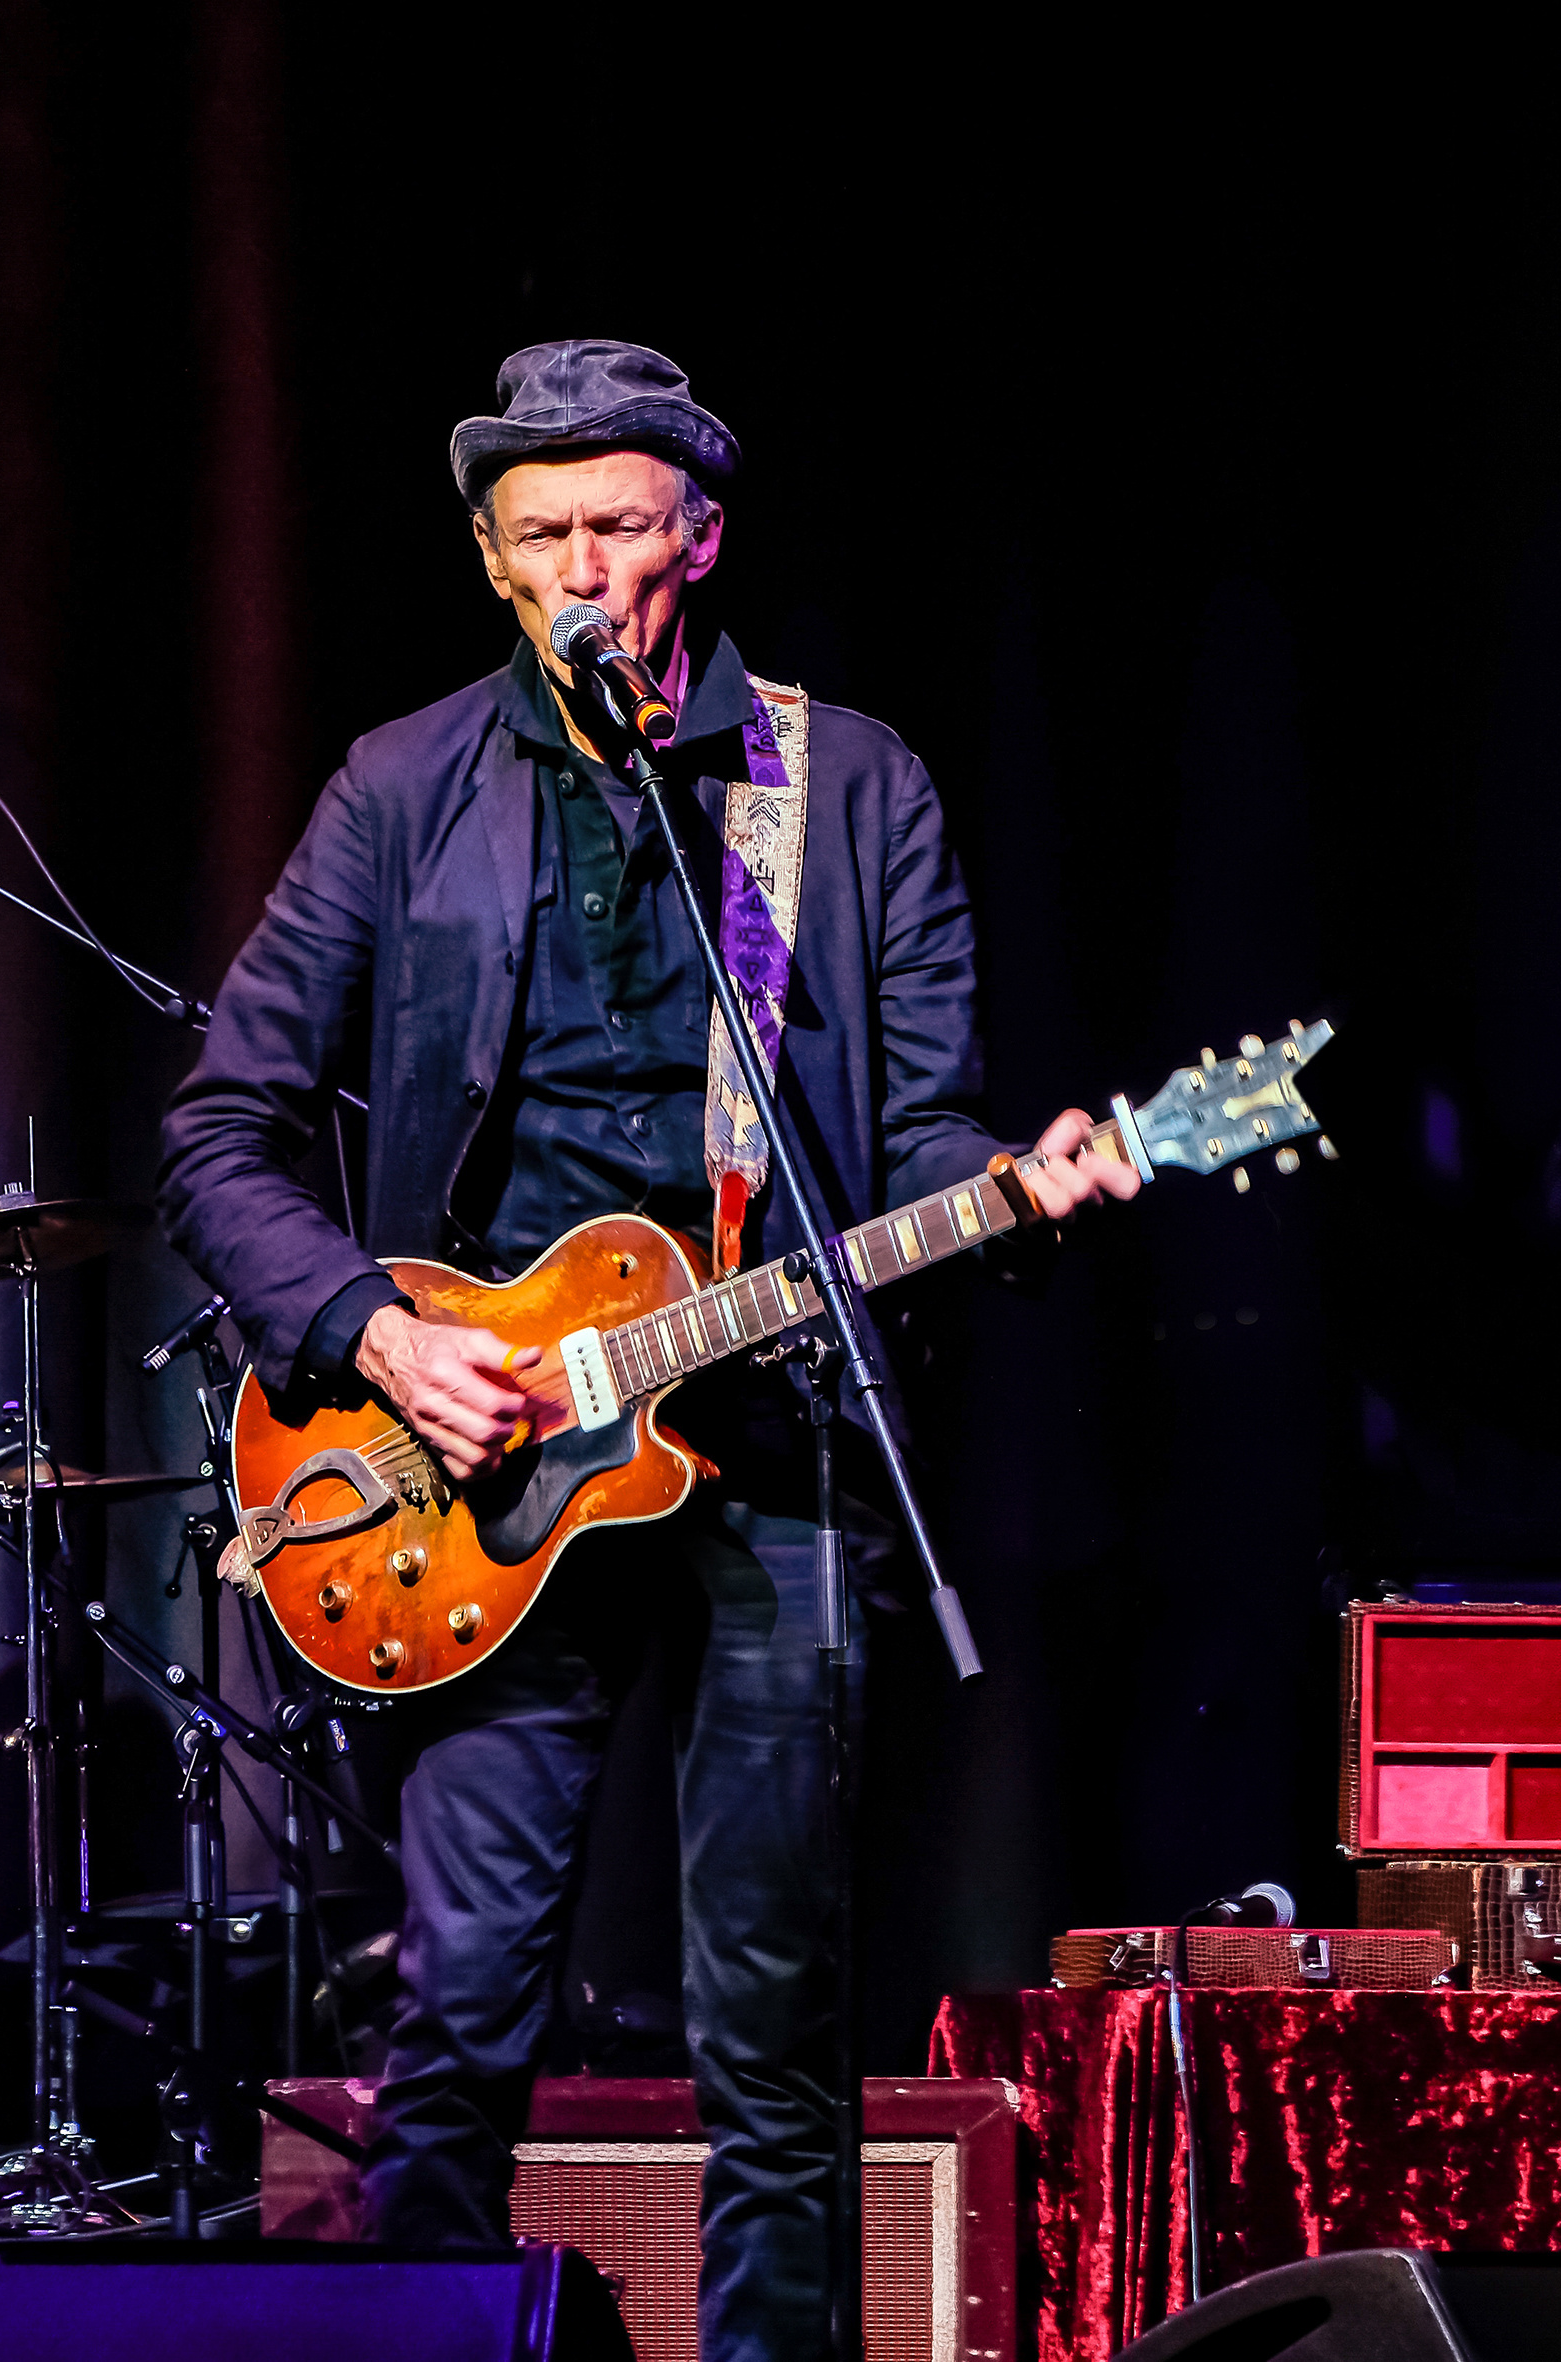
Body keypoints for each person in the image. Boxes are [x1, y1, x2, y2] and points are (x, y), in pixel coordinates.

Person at [160, 338, 1133, 2359]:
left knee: (776, 2033)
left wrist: (1016, 1188)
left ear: (696, 534)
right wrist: (369, 1329)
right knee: (464, 2016)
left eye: (617, 526)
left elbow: (926, 1130)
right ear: (493, 562)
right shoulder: (402, 784)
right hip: (483, 1466)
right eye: (541, 538)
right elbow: (221, 1122)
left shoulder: (836, 785)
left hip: (772, 1440)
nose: (582, 572)